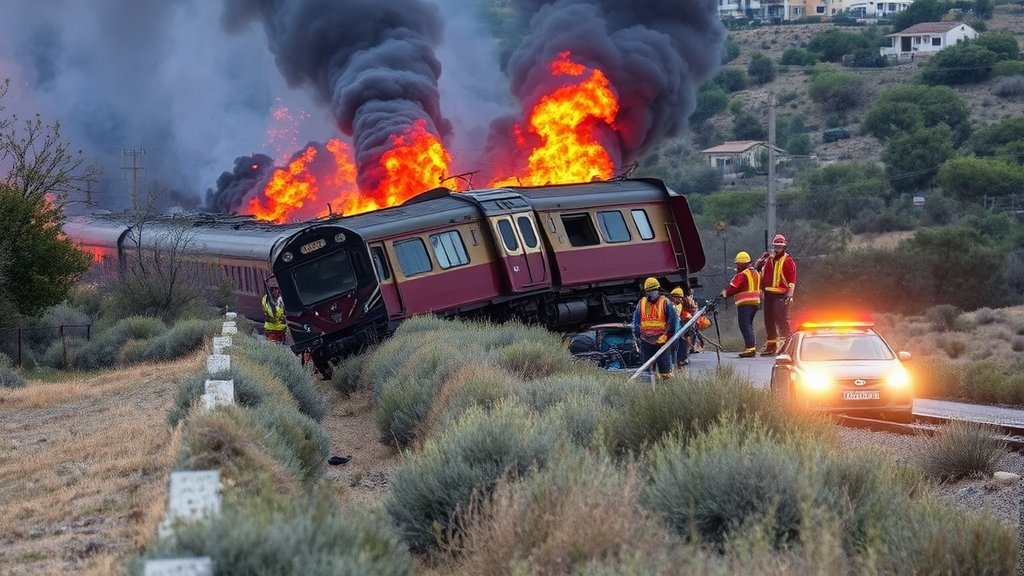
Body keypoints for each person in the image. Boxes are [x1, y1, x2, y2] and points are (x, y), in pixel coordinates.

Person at [754, 234, 797, 356]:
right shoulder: (769, 259)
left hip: (781, 295)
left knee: (782, 320)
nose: (777, 249)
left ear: (784, 247)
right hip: (768, 295)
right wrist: (762, 260)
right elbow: (758, 270)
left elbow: (791, 280)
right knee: (769, 321)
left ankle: (788, 346)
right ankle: (771, 346)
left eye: (780, 247)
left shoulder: (788, 260)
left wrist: (789, 295)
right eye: (776, 246)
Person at [632, 277, 680, 379]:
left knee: (665, 373)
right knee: (649, 372)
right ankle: (651, 391)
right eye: (648, 291)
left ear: (657, 290)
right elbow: (636, 323)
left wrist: (669, 339)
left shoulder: (665, 302)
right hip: (646, 342)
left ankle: (664, 390)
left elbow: (672, 323)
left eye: (652, 291)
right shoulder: (642, 303)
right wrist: (637, 335)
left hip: (661, 342)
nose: (650, 294)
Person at [719, 251, 762, 358]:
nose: (736, 266)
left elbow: (733, 287)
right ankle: (751, 347)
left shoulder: (742, 274)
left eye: (738, 264)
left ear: (742, 264)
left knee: (744, 325)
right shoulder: (756, 273)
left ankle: (750, 349)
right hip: (755, 304)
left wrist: (725, 293)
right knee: (749, 325)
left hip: (745, 303)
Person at [669, 287, 696, 368]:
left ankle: (681, 360)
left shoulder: (680, 305)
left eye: (681, 298)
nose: (680, 300)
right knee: (674, 347)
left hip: (680, 330)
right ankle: (676, 362)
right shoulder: (669, 305)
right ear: (673, 297)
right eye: (678, 298)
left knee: (683, 342)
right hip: (673, 331)